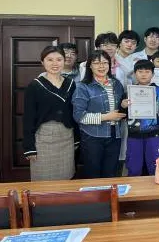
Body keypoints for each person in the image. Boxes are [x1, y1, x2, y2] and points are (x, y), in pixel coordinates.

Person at [24, 46, 77, 180]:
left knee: (66, 179)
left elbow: (74, 112)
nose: (55, 63)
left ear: (64, 61)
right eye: (50, 60)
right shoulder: (35, 85)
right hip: (44, 139)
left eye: (59, 59)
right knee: (43, 181)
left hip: (67, 137)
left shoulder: (71, 84)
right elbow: (28, 118)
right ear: (42, 62)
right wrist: (29, 147)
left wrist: (77, 138)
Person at [73, 50, 125, 178]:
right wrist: (106, 117)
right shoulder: (83, 87)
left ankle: (109, 192)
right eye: (96, 63)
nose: (101, 66)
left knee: (111, 173)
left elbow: (119, 110)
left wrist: (124, 106)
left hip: (115, 134)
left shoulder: (116, 84)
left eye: (105, 63)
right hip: (92, 136)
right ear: (90, 66)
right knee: (93, 173)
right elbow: (78, 116)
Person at [120, 60, 159, 176]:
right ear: (135, 74)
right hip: (134, 135)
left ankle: (157, 187)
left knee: (155, 166)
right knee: (134, 166)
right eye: (140, 71)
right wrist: (123, 106)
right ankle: (133, 188)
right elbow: (123, 114)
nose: (143, 74)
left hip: (154, 134)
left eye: (147, 72)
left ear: (153, 74)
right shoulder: (129, 91)